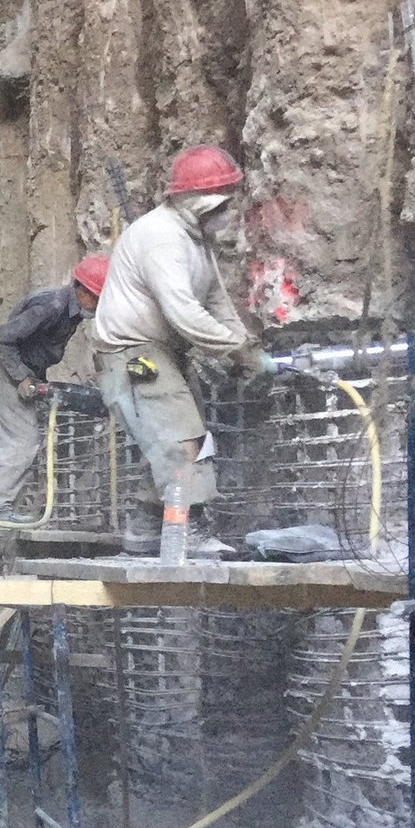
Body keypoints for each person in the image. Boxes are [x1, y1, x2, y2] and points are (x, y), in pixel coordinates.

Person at [92, 144, 267, 555]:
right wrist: (238, 350)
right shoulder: (160, 237)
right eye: (222, 203)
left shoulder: (196, 241)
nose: (227, 213)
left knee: (176, 437)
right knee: (183, 440)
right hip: (134, 355)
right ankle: (188, 531)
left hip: (159, 353)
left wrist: (244, 344)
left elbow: (217, 303)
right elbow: (184, 313)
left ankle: (144, 525)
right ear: (197, 201)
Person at [0, 255, 108, 519]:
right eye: (97, 298)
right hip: (10, 372)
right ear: (83, 290)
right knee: (22, 441)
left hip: (28, 372)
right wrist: (21, 379)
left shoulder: (70, 312)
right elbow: (4, 337)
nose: (99, 305)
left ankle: (2, 505)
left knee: (24, 441)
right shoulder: (50, 307)